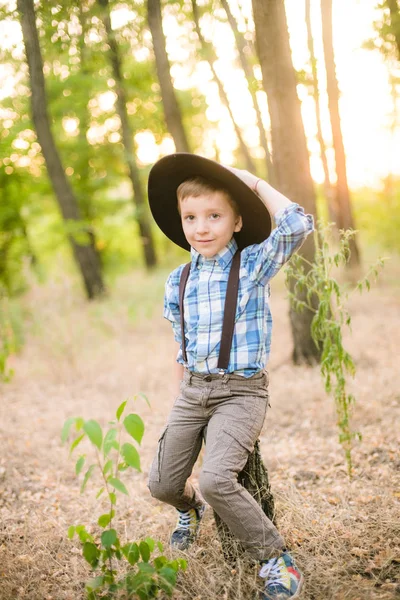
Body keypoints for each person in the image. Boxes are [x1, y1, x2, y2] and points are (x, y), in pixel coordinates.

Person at [147, 153, 314, 600]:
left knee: (218, 478)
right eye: (191, 217)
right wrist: (177, 400)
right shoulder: (177, 280)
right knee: (162, 484)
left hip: (240, 392)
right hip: (192, 391)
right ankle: (190, 509)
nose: (201, 227)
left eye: (215, 216)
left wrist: (252, 183)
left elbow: (297, 224)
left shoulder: (253, 265)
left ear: (236, 222)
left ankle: (276, 561)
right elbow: (180, 348)